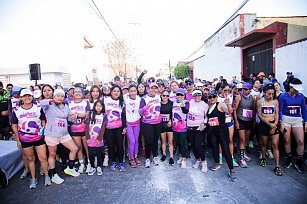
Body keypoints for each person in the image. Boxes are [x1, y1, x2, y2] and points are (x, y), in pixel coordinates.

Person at [11, 89, 50, 188]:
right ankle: (33, 179)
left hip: (38, 137)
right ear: (21, 98)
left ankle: (47, 176)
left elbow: (43, 120)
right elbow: (14, 126)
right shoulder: (16, 110)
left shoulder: (38, 108)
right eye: (24, 96)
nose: (27, 98)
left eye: (29, 96)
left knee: (43, 158)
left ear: (32, 97)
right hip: (25, 139)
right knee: (30, 159)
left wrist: (43, 129)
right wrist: (18, 140)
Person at [40, 88, 80, 184]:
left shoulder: (66, 106)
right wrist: (50, 100)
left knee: (74, 149)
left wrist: (74, 117)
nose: (60, 98)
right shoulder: (48, 106)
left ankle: (69, 168)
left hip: (63, 133)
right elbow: (41, 103)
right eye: (58, 95)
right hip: (52, 134)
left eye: (62, 96)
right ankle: (53, 175)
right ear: (54, 96)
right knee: (52, 154)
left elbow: (69, 118)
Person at [206, 90, 236, 181]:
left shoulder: (220, 104)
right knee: (215, 148)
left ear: (216, 97)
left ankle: (231, 169)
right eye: (210, 97)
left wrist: (228, 104)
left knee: (225, 149)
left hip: (221, 130)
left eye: (213, 97)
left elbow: (229, 111)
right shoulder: (209, 106)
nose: (212, 99)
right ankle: (217, 162)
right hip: (212, 130)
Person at [279, 78, 306, 173]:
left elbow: (304, 110)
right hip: (286, 119)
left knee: (301, 141)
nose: (296, 91)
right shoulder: (283, 96)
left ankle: (299, 161)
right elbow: (280, 110)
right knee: (287, 139)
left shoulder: (301, 96)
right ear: (290, 87)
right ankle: (289, 158)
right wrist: (281, 122)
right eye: (295, 89)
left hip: (297, 119)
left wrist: (305, 122)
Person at [257, 84, 282, 176]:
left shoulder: (275, 101)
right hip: (264, 124)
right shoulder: (260, 102)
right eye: (268, 94)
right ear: (264, 93)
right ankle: (263, 158)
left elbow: (277, 113)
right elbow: (259, 115)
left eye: (272, 94)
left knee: (275, 145)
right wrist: (269, 124)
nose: (270, 96)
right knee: (264, 143)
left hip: (273, 124)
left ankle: (277, 166)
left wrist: (275, 124)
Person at [68, 87, 91, 174]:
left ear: (82, 94)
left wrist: (76, 115)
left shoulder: (86, 102)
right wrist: (81, 114)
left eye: (79, 92)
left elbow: (88, 114)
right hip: (74, 129)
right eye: (75, 92)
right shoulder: (69, 103)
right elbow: (69, 116)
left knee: (87, 147)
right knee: (78, 148)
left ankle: (89, 163)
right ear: (72, 94)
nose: (77, 93)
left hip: (85, 128)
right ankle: (81, 164)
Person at [104, 85, 127, 172]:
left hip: (119, 127)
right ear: (111, 92)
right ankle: (113, 162)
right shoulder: (106, 100)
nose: (116, 92)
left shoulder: (122, 102)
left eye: (118, 91)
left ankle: (121, 162)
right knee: (110, 146)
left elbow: (123, 115)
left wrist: (124, 127)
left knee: (120, 145)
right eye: (114, 91)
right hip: (108, 128)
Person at [139, 83, 162, 168]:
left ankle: (155, 156)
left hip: (158, 122)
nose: (153, 90)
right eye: (151, 88)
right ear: (148, 89)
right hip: (147, 123)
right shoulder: (144, 99)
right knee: (148, 141)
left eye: (155, 88)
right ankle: (148, 158)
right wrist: (145, 108)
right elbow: (140, 112)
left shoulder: (159, 97)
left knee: (155, 140)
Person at [233, 82, 255, 168]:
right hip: (241, 119)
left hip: (249, 120)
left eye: (246, 89)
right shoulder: (239, 97)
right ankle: (241, 159)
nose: (244, 91)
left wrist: (253, 120)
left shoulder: (252, 98)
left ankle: (244, 153)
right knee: (242, 139)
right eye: (243, 89)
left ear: (250, 90)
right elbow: (235, 109)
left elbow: (253, 109)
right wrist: (236, 122)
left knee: (246, 138)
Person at [187, 89, 209, 172]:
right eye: (195, 95)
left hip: (199, 128)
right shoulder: (190, 102)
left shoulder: (205, 105)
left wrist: (205, 123)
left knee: (198, 145)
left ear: (201, 96)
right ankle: (198, 159)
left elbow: (207, 116)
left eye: (199, 95)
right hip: (189, 126)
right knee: (193, 145)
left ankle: (203, 162)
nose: (197, 97)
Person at [217, 83, 238, 167]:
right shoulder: (217, 98)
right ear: (221, 90)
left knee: (230, 140)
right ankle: (220, 156)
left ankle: (231, 157)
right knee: (221, 140)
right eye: (225, 90)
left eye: (228, 90)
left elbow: (233, 110)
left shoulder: (232, 97)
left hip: (229, 120)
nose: (226, 92)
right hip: (220, 121)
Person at [85, 100, 106, 175]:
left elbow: (103, 128)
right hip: (91, 138)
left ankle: (99, 166)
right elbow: (87, 125)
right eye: (97, 105)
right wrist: (87, 137)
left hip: (99, 138)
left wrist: (99, 139)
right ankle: (92, 166)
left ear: (103, 107)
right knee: (91, 153)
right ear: (94, 106)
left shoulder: (104, 115)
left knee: (99, 153)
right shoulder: (90, 114)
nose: (98, 107)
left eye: (100, 106)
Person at [124, 84, 142, 168]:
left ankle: (135, 156)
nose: (133, 93)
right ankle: (131, 158)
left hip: (137, 123)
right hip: (128, 124)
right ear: (128, 92)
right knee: (132, 141)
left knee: (136, 140)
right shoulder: (125, 98)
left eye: (134, 91)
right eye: (131, 91)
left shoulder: (139, 99)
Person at [172, 88, 189, 168]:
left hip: (183, 127)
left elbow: (186, 111)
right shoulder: (174, 102)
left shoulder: (186, 102)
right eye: (178, 94)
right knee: (178, 142)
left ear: (184, 95)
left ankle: (184, 159)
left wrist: (182, 106)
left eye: (181, 95)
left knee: (183, 143)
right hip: (175, 127)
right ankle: (181, 156)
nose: (179, 96)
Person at [160, 89, 174, 165]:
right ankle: (164, 154)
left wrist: (171, 120)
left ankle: (171, 156)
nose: (165, 97)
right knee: (163, 141)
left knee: (170, 141)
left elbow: (173, 113)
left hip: (169, 124)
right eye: (164, 95)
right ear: (161, 96)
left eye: (167, 96)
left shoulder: (171, 103)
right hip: (161, 124)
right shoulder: (159, 104)